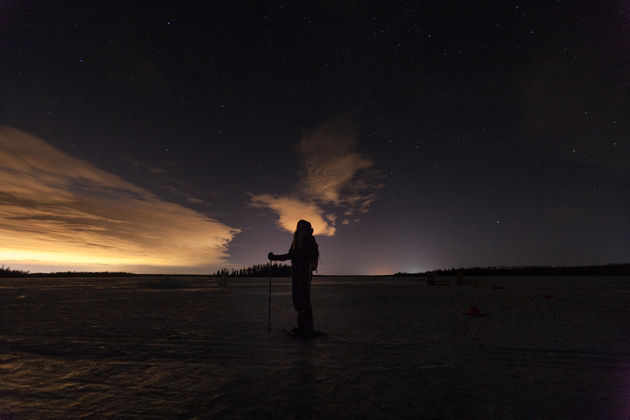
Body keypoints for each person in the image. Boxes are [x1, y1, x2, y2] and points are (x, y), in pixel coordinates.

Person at [268, 219, 319, 338]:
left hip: (304, 274)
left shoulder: (310, 239)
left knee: (304, 300)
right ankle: (302, 327)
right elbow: (290, 255)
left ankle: (307, 328)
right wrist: (274, 258)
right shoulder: (296, 240)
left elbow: (314, 254)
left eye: (301, 227)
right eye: (298, 227)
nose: (299, 229)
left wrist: (308, 259)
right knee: (298, 301)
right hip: (296, 273)